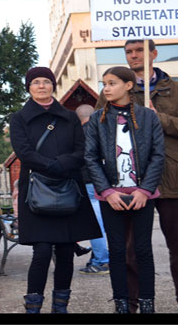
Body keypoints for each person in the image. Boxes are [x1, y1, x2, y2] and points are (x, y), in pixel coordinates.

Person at [96, 39, 178, 314]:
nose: (134, 56)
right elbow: (100, 127)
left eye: (139, 51)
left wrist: (157, 117)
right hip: (131, 182)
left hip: (171, 176)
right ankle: (131, 304)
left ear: (153, 54)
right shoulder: (114, 87)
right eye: (129, 52)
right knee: (131, 248)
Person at [9, 66, 102, 314]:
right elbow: (24, 153)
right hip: (36, 190)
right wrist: (53, 166)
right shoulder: (18, 118)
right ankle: (33, 308)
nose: (41, 86)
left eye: (46, 82)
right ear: (29, 88)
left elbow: (81, 151)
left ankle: (60, 309)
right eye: (36, 82)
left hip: (68, 189)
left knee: (64, 252)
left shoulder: (70, 117)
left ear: (53, 86)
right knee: (41, 252)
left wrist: (61, 165)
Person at [85, 66, 165, 314]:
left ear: (129, 85)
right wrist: (108, 192)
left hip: (143, 194)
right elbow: (90, 158)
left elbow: (158, 155)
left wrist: (145, 190)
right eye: (104, 83)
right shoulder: (97, 119)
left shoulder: (148, 116)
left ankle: (147, 304)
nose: (106, 88)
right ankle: (121, 304)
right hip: (112, 197)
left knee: (143, 249)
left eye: (112, 83)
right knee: (117, 251)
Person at [75, 104, 110, 274]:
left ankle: (102, 260)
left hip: (88, 181)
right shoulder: (102, 130)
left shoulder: (79, 134)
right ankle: (100, 257)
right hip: (106, 182)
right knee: (107, 222)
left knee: (95, 224)